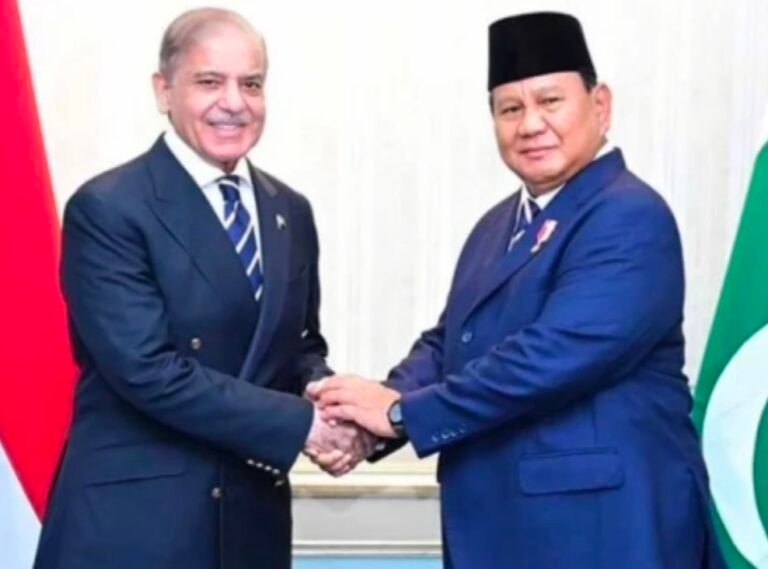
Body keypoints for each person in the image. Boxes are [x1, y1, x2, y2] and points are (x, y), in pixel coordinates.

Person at [310, 11, 725, 569]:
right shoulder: (496, 225)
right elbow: (451, 341)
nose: (530, 124)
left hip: (602, 530)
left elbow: (551, 357)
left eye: (550, 101)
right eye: (510, 109)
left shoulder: (628, 215)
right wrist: (369, 412)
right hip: (505, 527)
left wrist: (403, 414)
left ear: (600, 105)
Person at [34, 8, 370, 569]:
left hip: (249, 520)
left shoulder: (290, 210)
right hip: (138, 527)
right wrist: (303, 426)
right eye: (210, 81)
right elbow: (147, 370)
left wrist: (330, 397)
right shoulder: (109, 208)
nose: (234, 102)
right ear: (163, 90)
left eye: (251, 84)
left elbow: (296, 345)